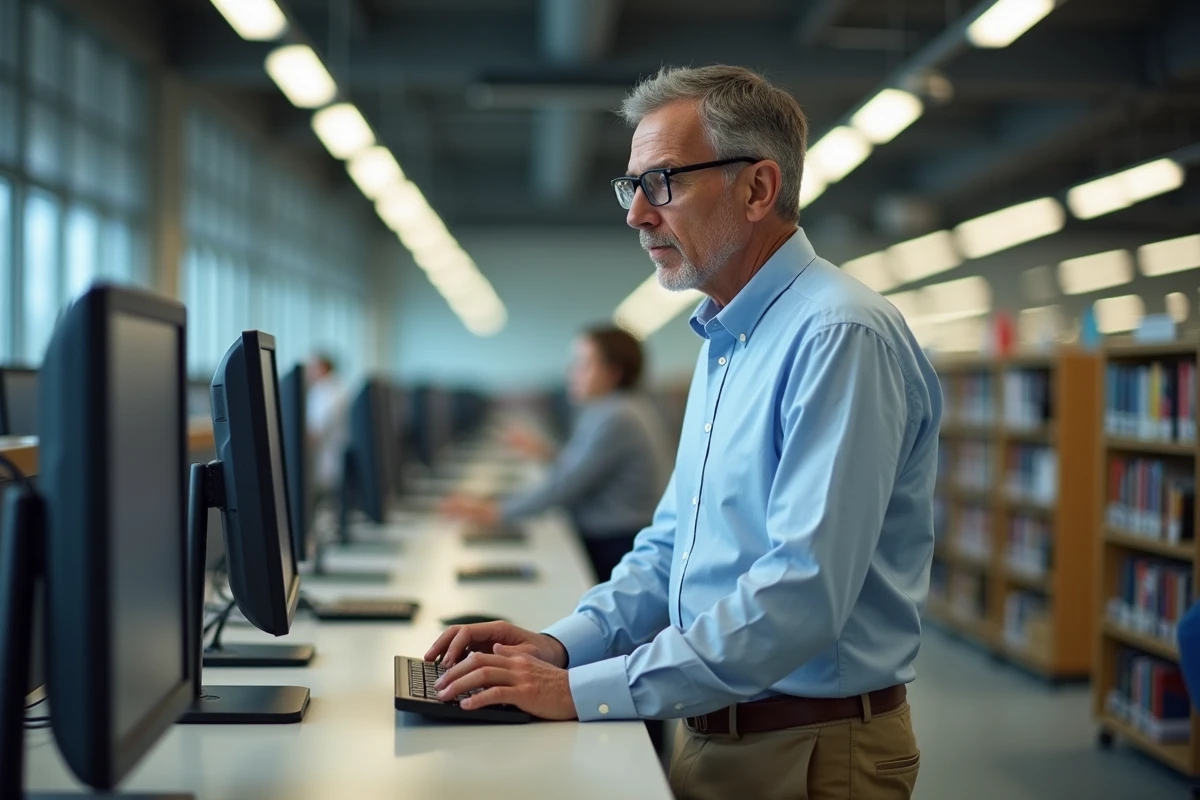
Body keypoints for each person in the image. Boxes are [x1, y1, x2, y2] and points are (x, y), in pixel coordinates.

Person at [425, 64, 942, 800]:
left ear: (758, 189)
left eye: (662, 181)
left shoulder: (837, 335)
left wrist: (582, 690)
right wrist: (558, 646)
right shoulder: (725, 338)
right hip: (719, 731)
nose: (636, 213)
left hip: (809, 751)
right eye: (630, 186)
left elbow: (799, 596)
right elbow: (673, 549)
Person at [443, 326, 672, 584]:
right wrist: (546, 452)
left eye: (582, 365)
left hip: (614, 544)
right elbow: (580, 468)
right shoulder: (619, 408)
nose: (571, 373)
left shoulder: (616, 416)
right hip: (616, 535)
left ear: (612, 372)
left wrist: (493, 512)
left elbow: (563, 487)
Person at [305, 353, 349, 495]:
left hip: (327, 465)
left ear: (323, 368)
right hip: (328, 464)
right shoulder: (327, 390)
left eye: (312, 367)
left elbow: (315, 433)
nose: (308, 372)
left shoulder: (329, 393)